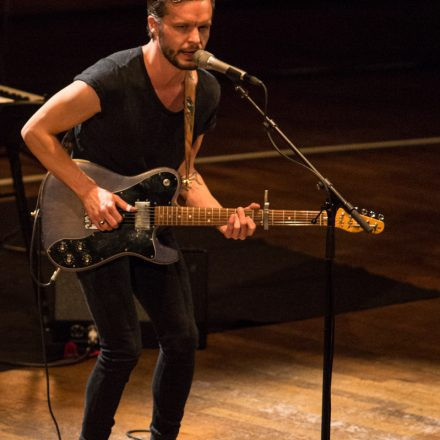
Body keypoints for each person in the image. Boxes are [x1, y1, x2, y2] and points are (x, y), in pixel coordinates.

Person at [21, 0, 259, 439]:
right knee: (122, 348)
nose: (195, 40)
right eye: (183, 27)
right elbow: (35, 130)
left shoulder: (204, 91)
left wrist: (222, 217)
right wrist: (89, 191)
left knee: (183, 340)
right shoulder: (112, 77)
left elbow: (185, 174)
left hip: (151, 223)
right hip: (92, 221)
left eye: (203, 28)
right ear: (154, 25)